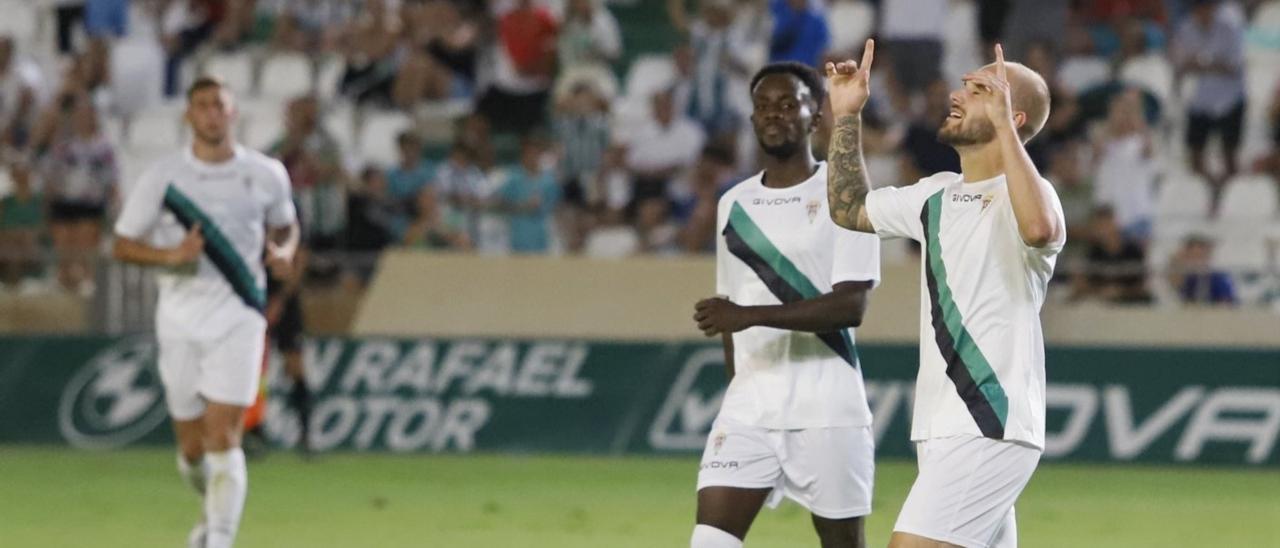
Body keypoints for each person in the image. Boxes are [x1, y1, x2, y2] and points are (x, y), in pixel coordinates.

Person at [825, 41, 1064, 548]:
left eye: (980, 90)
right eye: (965, 85)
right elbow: (849, 209)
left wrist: (1004, 130)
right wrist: (846, 116)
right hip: (942, 424)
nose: (958, 95)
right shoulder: (933, 194)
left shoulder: (1029, 195)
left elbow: (1040, 229)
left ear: (1012, 115)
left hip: (987, 420)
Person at [689, 61, 881, 548]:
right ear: (752, 120)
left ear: (815, 116)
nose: (773, 114)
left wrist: (748, 317)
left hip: (828, 408)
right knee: (710, 541)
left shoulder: (845, 193)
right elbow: (729, 311)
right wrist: (736, 393)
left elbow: (851, 306)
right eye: (762, 106)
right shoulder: (734, 204)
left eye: (787, 103)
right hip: (749, 410)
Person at [111, 76, 300, 548]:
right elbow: (122, 245)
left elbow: (286, 226)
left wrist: (283, 251)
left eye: (219, 105)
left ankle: (218, 538)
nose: (212, 113)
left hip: (240, 316)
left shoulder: (266, 174)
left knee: (224, 437)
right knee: (193, 451)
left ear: (233, 113)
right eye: (202, 105)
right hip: (178, 320)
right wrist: (171, 257)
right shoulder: (163, 178)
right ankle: (209, 513)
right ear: (188, 116)